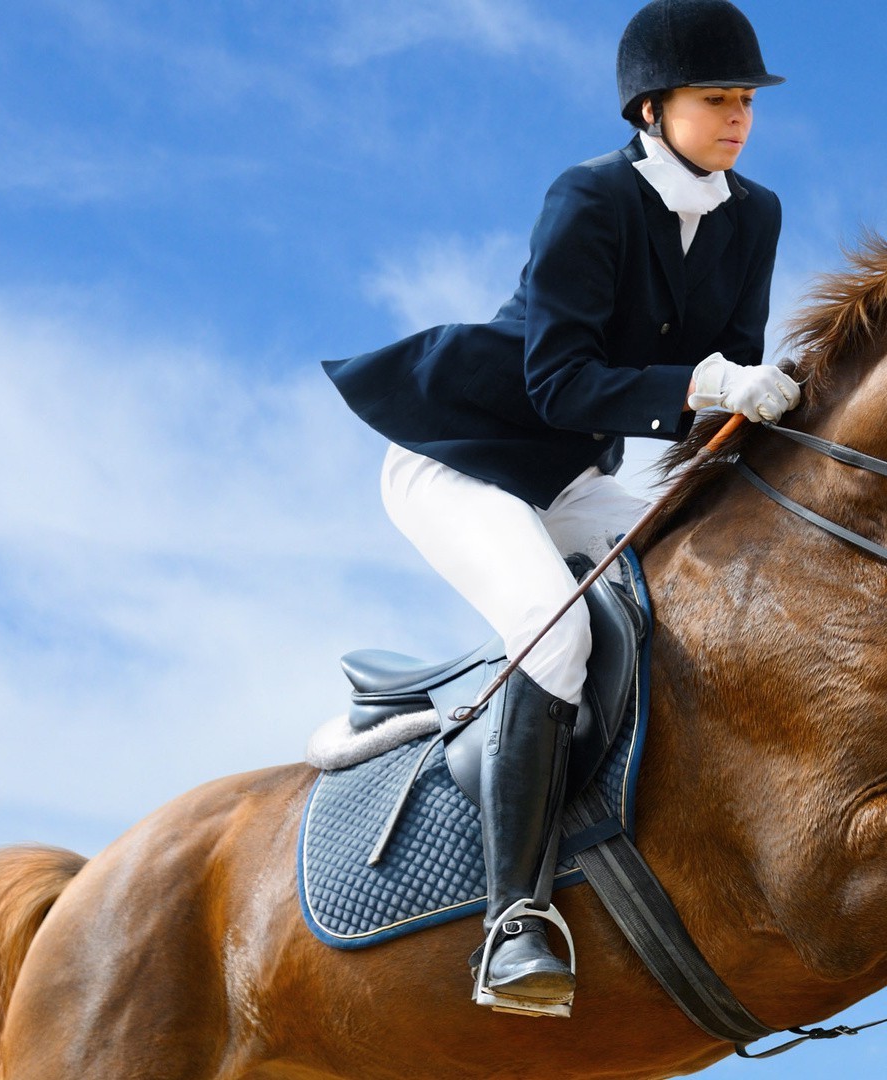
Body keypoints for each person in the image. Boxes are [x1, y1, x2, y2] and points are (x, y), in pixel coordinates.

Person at [321, 0, 795, 1015]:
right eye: (719, 98)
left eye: (746, 100)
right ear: (652, 107)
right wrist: (711, 385)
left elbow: (735, 375)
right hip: (465, 456)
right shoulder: (587, 198)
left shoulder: (754, 215)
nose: (739, 117)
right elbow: (560, 386)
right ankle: (512, 921)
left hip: (572, 476)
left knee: (694, 586)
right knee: (560, 634)